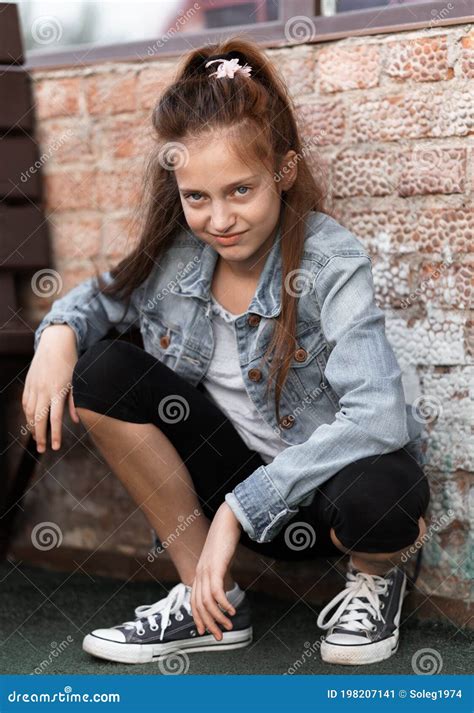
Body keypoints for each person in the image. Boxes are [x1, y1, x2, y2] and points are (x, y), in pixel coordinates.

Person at [23, 38, 430, 668]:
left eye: (240, 191)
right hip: (225, 490)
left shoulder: (331, 258)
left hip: (323, 499)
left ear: (284, 171)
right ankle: (207, 598)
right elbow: (99, 298)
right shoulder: (176, 258)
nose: (219, 220)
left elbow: (379, 415)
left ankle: (377, 578)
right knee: (102, 369)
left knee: (386, 497)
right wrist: (56, 335)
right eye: (197, 198)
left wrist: (244, 508)